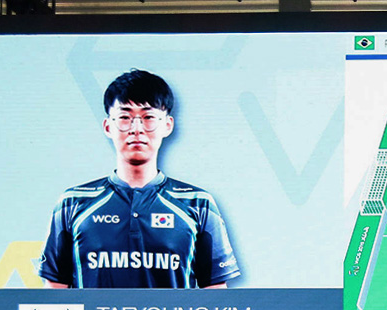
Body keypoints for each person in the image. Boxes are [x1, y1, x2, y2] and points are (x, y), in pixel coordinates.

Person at [38, 68, 241, 288]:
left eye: (148, 117)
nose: (136, 129)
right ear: (108, 126)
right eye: (124, 117)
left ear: (167, 125)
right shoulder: (73, 202)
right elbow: (54, 293)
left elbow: (216, 296)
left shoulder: (197, 203)